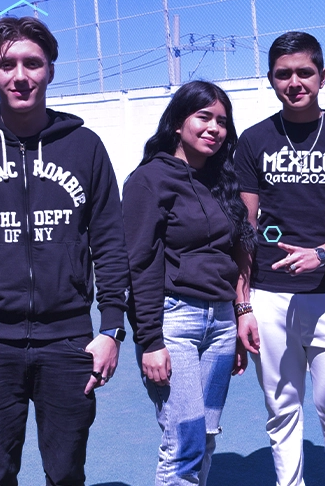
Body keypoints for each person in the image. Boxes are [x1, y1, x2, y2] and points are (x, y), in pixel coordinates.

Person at [0, 16, 130, 486]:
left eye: (32, 63)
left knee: (66, 472)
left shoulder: (85, 147)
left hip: (69, 341)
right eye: (7, 65)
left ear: (50, 70)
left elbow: (109, 242)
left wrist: (112, 329)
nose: (20, 76)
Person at [233, 31, 325, 486]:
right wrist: (243, 305)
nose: (294, 82)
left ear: (322, 76)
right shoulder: (253, 140)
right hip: (269, 297)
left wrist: (321, 254)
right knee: (282, 412)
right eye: (283, 74)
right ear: (271, 79)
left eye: (304, 72)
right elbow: (243, 229)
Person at [122, 80, 254, 486]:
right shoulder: (149, 180)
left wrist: (238, 316)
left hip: (220, 323)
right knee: (184, 442)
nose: (215, 128)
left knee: (206, 437)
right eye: (204, 117)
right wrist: (150, 340)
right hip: (173, 320)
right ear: (178, 123)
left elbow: (234, 255)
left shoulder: (222, 181)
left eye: (222, 122)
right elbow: (140, 264)